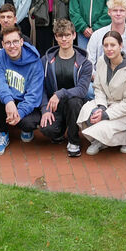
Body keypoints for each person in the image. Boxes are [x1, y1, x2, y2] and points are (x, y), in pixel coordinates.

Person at [38, 19, 93, 157]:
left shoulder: (84, 63)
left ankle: (74, 141)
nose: (64, 39)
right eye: (60, 35)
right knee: (47, 129)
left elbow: (82, 90)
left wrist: (60, 93)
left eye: (67, 35)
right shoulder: (46, 61)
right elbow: (42, 88)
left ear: (74, 35)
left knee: (74, 101)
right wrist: (45, 110)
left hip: (75, 105)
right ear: (56, 37)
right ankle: (59, 132)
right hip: (54, 105)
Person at [79, 30, 126, 155]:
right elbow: (98, 87)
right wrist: (101, 107)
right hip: (105, 103)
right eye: (106, 45)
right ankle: (100, 140)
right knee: (86, 111)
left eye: (113, 45)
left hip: (123, 110)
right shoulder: (102, 61)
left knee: (104, 126)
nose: (109, 49)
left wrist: (105, 114)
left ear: (120, 46)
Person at [0, 25, 44, 155]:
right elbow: (0, 83)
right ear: (2, 44)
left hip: (26, 102)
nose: (11, 46)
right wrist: (8, 101)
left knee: (27, 123)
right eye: (7, 43)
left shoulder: (35, 62)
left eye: (15, 42)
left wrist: (19, 112)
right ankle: (3, 133)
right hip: (9, 99)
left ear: (21, 42)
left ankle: (25, 128)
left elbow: (34, 95)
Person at [86, 0, 126, 69]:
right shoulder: (97, 35)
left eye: (122, 10)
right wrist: (98, 78)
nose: (118, 14)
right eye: (115, 10)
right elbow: (89, 64)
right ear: (109, 12)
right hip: (101, 78)